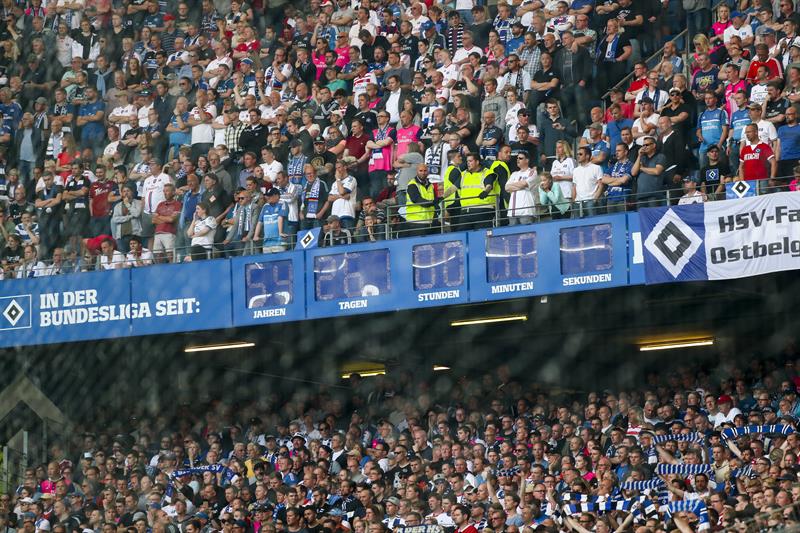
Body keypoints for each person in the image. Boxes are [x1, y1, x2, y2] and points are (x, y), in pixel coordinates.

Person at [632, 136, 667, 208]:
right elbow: (633, 172)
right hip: (641, 196)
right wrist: (639, 156)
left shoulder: (660, 156)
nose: (644, 147)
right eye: (643, 145)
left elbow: (657, 171)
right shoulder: (642, 158)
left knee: (654, 218)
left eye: (647, 145)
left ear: (654, 145)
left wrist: (642, 168)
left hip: (654, 196)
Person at [404, 163, 436, 237]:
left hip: (429, 221)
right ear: (417, 171)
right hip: (415, 222)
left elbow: (435, 200)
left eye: (425, 171)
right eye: (420, 171)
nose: (423, 173)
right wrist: (432, 203)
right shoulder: (412, 184)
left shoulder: (431, 185)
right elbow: (417, 200)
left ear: (428, 171)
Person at [505, 152, 537, 225]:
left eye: (521, 158)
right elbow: (506, 188)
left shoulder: (532, 172)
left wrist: (513, 185)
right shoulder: (514, 174)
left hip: (526, 211)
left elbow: (525, 184)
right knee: (512, 235)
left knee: (527, 235)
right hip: (512, 212)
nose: (518, 160)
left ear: (527, 160)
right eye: (517, 158)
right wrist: (521, 185)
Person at [572, 146, 604, 217]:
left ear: (587, 156)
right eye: (577, 154)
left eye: (580, 154)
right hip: (578, 203)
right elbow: (574, 187)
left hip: (591, 201)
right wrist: (573, 201)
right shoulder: (575, 170)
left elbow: (601, 185)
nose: (578, 156)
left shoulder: (596, 168)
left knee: (593, 224)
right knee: (577, 226)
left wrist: (594, 200)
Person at [254, 188, 288, 254]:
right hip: (266, 243)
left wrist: (280, 232)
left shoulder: (283, 203)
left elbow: (280, 217)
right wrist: (256, 235)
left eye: (270, 195)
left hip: (279, 242)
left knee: (280, 262)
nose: (267, 197)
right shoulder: (265, 206)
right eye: (267, 195)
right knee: (267, 263)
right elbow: (260, 222)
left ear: (277, 196)